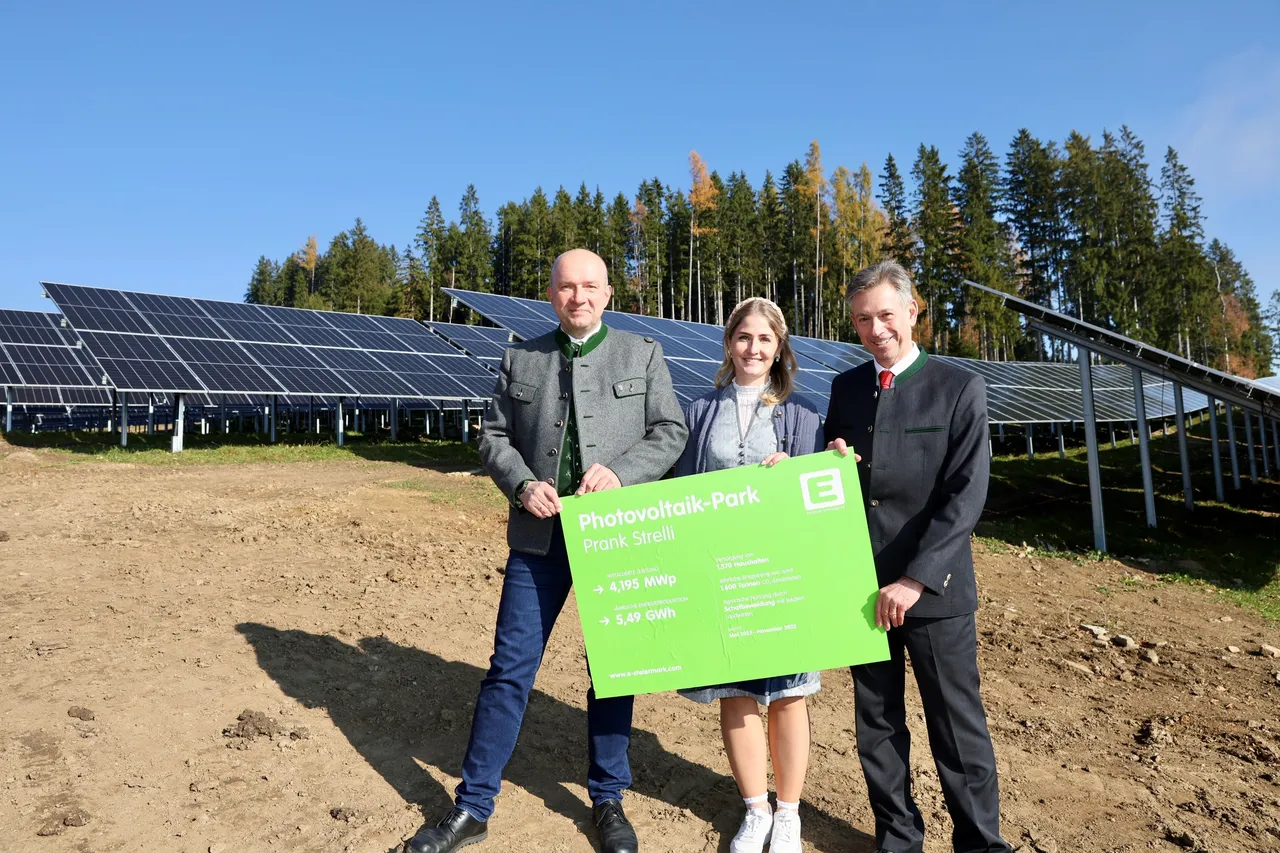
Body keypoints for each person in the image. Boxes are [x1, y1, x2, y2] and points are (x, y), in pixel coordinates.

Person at [404, 249, 688, 853]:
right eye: (566, 287)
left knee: (612, 672)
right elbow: (495, 437)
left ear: (608, 293)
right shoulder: (520, 355)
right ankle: (473, 807)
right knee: (509, 671)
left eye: (589, 287)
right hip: (539, 541)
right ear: (551, 294)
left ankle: (608, 799)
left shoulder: (642, 353)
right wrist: (522, 483)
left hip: (617, 538)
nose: (578, 297)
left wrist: (621, 473)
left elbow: (671, 430)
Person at [824, 261, 1012, 853]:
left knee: (956, 728)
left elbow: (966, 496)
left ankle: (981, 844)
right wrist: (827, 462)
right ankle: (898, 838)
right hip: (862, 589)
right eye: (862, 319)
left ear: (912, 310)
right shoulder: (846, 388)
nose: (875, 329)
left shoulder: (958, 387)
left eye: (885, 314)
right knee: (877, 727)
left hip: (935, 591)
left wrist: (915, 579)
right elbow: (840, 484)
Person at [673, 297, 824, 853]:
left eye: (764, 339)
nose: (753, 348)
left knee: (787, 695)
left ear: (779, 347)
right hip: (718, 574)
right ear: (728, 344)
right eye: (743, 338)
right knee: (735, 694)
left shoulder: (803, 414)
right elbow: (678, 492)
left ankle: (789, 814)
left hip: (779, 576)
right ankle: (755, 810)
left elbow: (817, 501)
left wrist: (797, 472)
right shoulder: (697, 411)